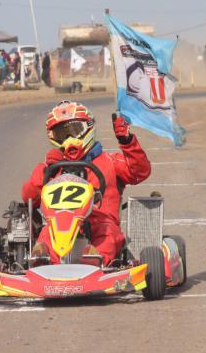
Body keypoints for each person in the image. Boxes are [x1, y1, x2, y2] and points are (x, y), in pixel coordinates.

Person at [22, 101, 151, 266]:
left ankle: (95, 260)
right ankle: (43, 262)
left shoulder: (110, 162)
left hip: (101, 222)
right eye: (62, 135)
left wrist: (127, 141)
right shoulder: (52, 168)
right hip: (61, 223)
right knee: (47, 232)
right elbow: (29, 198)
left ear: (88, 128)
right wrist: (47, 170)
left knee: (108, 235)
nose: (69, 139)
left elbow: (140, 171)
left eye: (75, 131)